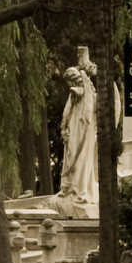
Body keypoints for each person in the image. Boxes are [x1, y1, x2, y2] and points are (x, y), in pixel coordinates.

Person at [58, 48, 101, 214]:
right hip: (77, 130)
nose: (69, 85)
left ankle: (79, 190)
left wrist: (63, 126)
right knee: (73, 158)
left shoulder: (81, 92)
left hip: (82, 131)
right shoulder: (82, 94)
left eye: (69, 81)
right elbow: (67, 111)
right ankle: (73, 188)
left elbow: (66, 112)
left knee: (80, 159)